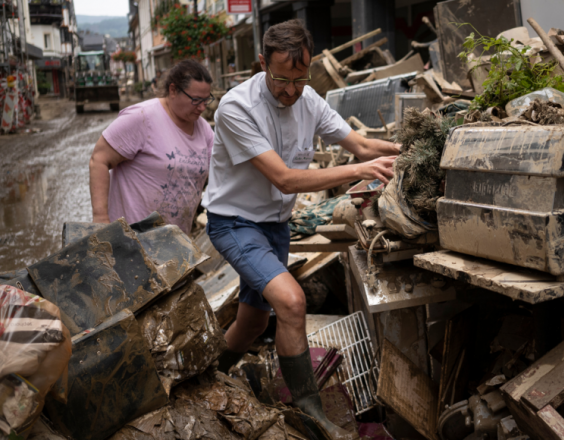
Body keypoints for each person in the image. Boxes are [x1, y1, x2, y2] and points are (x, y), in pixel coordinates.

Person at [202, 19, 399, 438]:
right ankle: (313, 415)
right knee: (292, 303)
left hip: (275, 226)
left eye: (300, 78)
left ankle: (202, 380)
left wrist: (406, 151)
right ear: (262, 64)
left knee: (253, 324)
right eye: (282, 79)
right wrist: (360, 170)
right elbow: (286, 180)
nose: (291, 90)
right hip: (235, 223)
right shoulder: (236, 108)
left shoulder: (309, 99)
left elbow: (362, 145)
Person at [89, 59, 215, 234]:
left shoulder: (204, 130)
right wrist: (101, 219)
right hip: (131, 238)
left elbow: (218, 172)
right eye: (196, 100)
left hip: (174, 240)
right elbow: (99, 160)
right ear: (173, 90)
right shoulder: (142, 117)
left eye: (206, 100)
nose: (202, 107)